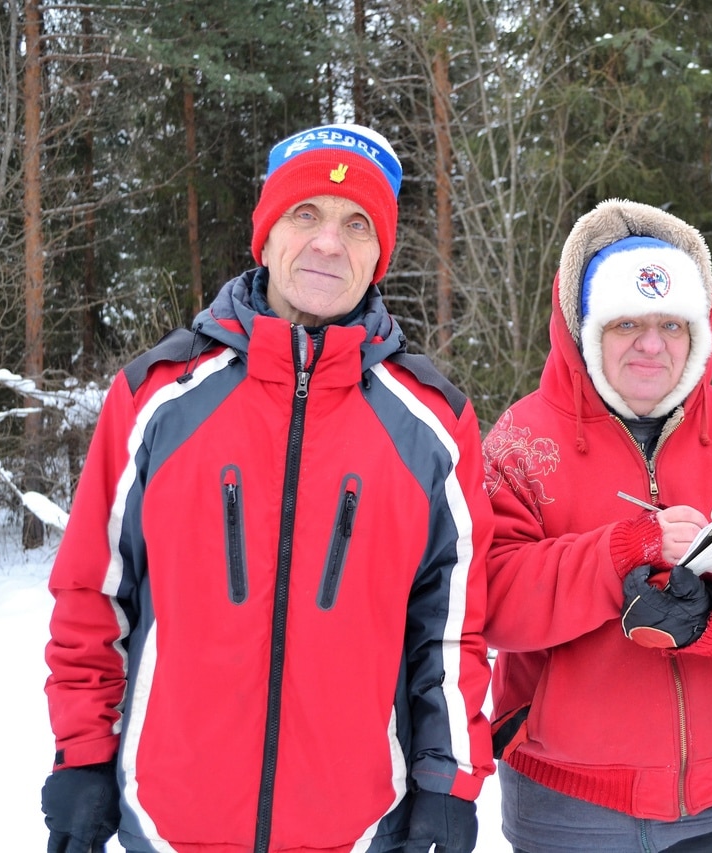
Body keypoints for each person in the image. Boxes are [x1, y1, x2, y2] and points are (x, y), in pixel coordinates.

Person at [40, 123, 494, 853]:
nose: (327, 243)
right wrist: (82, 757)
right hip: (169, 823)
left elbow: (447, 632)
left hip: (356, 827)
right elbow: (95, 596)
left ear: (380, 253)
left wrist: (449, 786)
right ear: (266, 233)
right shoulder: (157, 396)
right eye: (304, 213)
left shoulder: (434, 423)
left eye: (356, 224)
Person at [480, 198, 712, 852]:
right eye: (626, 323)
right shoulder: (522, 441)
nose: (651, 344)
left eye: (672, 323)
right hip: (570, 805)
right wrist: (624, 550)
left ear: (698, 331)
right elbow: (494, 595)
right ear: (586, 328)